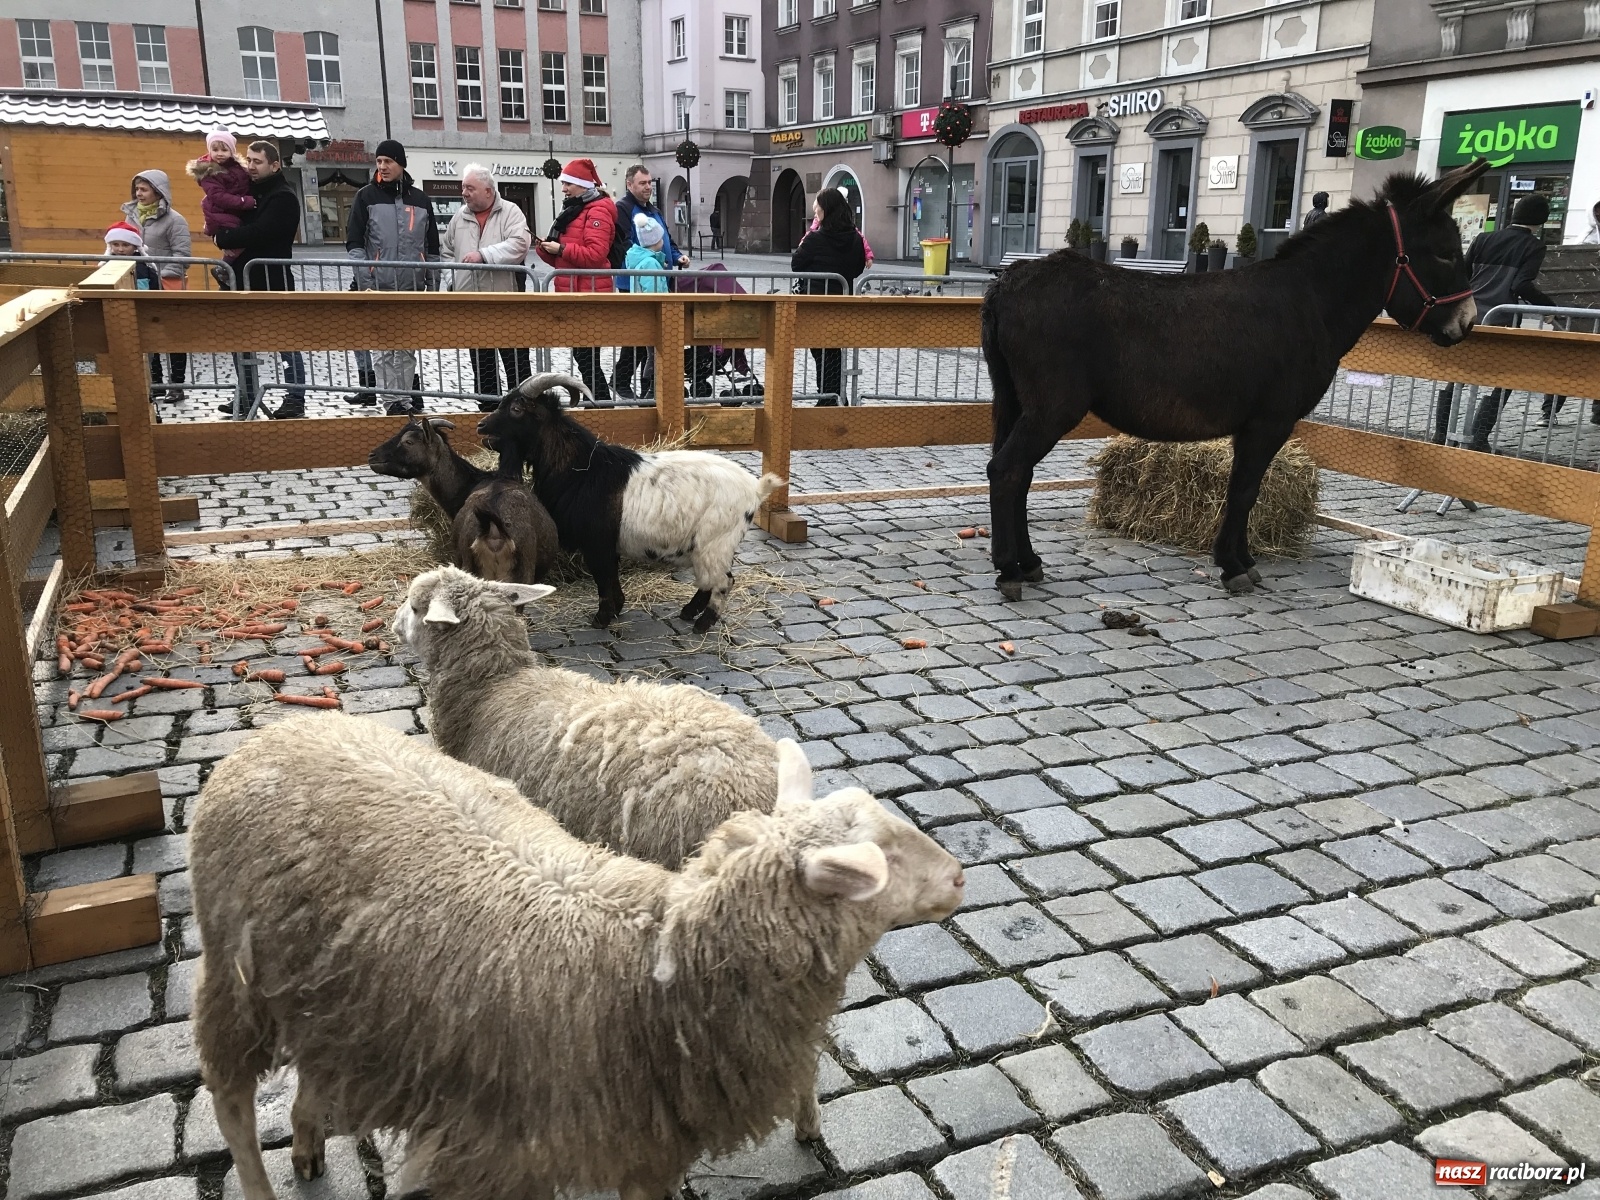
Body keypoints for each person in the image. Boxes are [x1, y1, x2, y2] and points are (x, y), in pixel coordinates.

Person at [1433, 194, 1556, 452]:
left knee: (1456, 377)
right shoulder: (1533, 246)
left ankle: (1440, 435)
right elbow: (1521, 284)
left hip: (1470, 316)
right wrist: (1550, 307)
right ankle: (1479, 437)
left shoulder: (1484, 238)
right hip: (1501, 320)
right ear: (1541, 219)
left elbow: (1463, 274)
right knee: (1503, 379)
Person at [212, 141, 309, 418]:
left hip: (272, 279)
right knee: (241, 342)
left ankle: (295, 398)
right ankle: (246, 395)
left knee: (285, 343)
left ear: (275, 165)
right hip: (241, 281)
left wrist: (225, 237)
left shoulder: (282, 196)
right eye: (249, 161)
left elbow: (260, 232)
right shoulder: (246, 192)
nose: (251, 166)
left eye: (258, 162)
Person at [347, 139, 440, 415]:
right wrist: (365, 283)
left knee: (407, 348)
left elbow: (432, 247)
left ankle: (406, 398)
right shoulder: (366, 196)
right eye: (379, 161)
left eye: (388, 161)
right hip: (379, 286)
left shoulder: (421, 200)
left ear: (401, 163)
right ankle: (391, 401)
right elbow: (355, 244)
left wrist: (432, 286)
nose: (383, 166)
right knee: (384, 348)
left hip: (411, 287)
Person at [443, 163, 532, 409]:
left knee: (515, 360)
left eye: (470, 188)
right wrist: (453, 281)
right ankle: (488, 411)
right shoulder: (459, 216)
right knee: (482, 362)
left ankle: (521, 410)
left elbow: (519, 244)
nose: (464, 193)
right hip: (472, 304)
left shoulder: (511, 212)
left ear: (488, 191)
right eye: (463, 188)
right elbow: (446, 252)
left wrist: (484, 255)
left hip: (506, 304)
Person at [533, 158, 617, 403]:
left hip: (590, 294)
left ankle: (601, 402)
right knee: (584, 354)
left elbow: (595, 255)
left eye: (568, 183)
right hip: (576, 291)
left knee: (585, 355)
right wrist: (545, 249)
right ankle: (596, 400)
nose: (564, 189)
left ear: (582, 184)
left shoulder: (597, 210)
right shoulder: (575, 209)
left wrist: (560, 249)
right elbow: (566, 261)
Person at [614, 164, 686, 399]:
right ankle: (623, 379)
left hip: (659, 276)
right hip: (635, 281)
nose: (648, 187)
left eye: (649, 182)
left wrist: (677, 257)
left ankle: (644, 386)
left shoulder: (653, 210)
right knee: (639, 335)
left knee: (648, 337)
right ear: (629, 184)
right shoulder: (623, 209)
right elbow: (623, 243)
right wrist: (638, 265)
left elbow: (666, 239)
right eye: (642, 183)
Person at [790, 188, 866, 405]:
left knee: (822, 352)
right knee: (834, 350)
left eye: (817, 207)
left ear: (826, 210)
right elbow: (858, 267)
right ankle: (834, 394)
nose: (815, 210)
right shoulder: (855, 237)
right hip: (842, 302)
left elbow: (796, 264)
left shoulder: (815, 238)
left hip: (817, 303)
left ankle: (828, 397)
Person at [121, 169, 191, 401]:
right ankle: (156, 382)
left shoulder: (175, 220)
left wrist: (159, 276)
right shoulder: (130, 217)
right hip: (140, 283)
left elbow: (183, 256)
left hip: (168, 284)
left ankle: (177, 385)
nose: (138, 194)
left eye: (144, 189)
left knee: (172, 336)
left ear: (158, 192)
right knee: (146, 335)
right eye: (137, 189)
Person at [186, 130, 254, 288]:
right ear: (209, 150)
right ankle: (223, 268)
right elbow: (218, 197)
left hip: (232, 210)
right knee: (240, 238)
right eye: (215, 149)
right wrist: (244, 201)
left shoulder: (237, 168)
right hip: (219, 211)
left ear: (232, 151)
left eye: (224, 150)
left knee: (241, 238)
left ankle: (227, 268)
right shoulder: (209, 172)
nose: (220, 153)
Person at [102, 222, 162, 289]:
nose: (120, 249)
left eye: (125, 245)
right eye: (116, 244)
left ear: (135, 247)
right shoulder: (105, 267)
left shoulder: (142, 268)